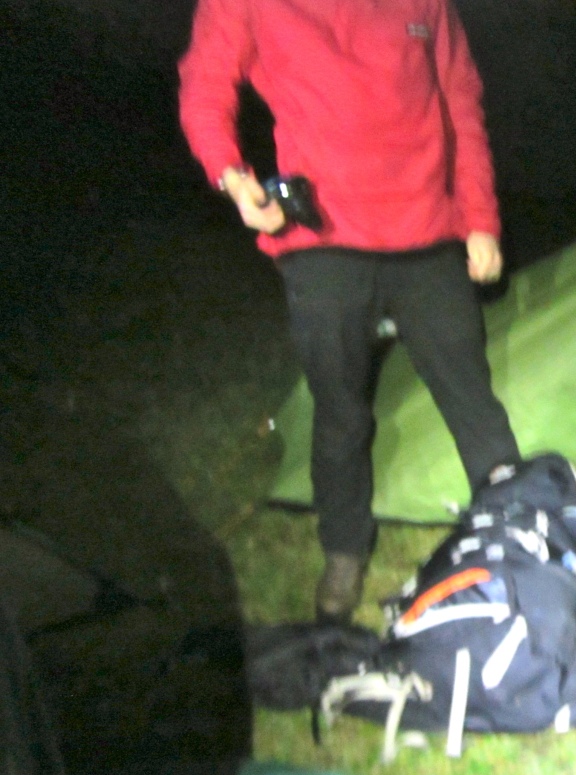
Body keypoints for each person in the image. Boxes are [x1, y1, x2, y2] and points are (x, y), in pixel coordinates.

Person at [178, 0, 521, 624]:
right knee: (339, 411)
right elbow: (205, 85)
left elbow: (459, 100)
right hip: (323, 243)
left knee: (472, 396)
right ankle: (344, 549)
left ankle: (518, 530)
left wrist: (481, 219)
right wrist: (232, 176)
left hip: (428, 235)